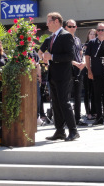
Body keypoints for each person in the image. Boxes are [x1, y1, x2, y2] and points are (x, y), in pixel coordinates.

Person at [41, 12, 79, 141]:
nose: (47, 24)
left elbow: (70, 56)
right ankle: (60, 131)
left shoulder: (66, 35)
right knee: (56, 104)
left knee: (64, 102)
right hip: (53, 74)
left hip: (63, 75)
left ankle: (73, 131)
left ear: (56, 21)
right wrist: (47, 59)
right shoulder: (53, 37)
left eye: (49, 21)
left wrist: (52, 57)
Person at [64, 19, 87, 126]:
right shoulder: (63, 39)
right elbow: (64, 57)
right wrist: (75, 63)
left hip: (79, 68)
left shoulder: (77, 39)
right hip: (68, 69)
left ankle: (77, 118)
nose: (72, 28)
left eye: (74, 26)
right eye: (70, 26)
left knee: (78, 95)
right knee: (67, 95)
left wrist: (83, 62)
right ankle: (67, 120)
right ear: (66, 27)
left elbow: (81, 52)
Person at [82, 29, 97, 120]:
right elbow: (84, 58)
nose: (92, 35)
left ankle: (94, 111)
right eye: (90, 34)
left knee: (94, 92)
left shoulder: (96, 45)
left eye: (93, 34)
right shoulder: (85, 46)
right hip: (86, 70)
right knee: (87, 92)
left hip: (95, 70)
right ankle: (88, 112)